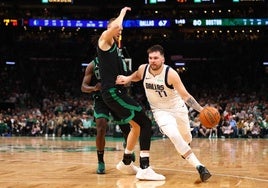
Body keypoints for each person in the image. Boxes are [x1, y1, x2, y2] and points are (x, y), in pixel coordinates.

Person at [116, 44, 211, 182]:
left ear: (162, 59)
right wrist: (128, 78)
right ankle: (200, 167)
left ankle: (185, 148)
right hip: (160, 111)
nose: (152, 60)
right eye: (150, 58)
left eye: (156, 58)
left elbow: (185, 96)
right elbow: (137, 75)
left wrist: (202, 110)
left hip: (178, 109)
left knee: (186, 138)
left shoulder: (171, 74)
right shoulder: (144, 69)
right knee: (174, 135)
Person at [97, 7, 165, 181]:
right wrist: (122, 13)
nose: (120, 29)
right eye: (116, 27)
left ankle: (126, 162)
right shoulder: (104, 40)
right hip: (112, 93)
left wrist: (126, 78)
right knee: (145, 122)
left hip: (117, 92)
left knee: (136, 126)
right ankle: (144, 167)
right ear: (109, 28)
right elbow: (115, 26)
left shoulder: (115, 46)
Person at [81, 56, 135, 174]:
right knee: (101, 128)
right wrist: (94, 88)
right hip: (101, 99)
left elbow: (129, 81)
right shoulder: (92, 65)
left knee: (126, 129)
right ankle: (101, 161)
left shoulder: (119, 61)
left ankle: (128, 148)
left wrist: (124, 81)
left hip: (117, 96)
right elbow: (83, 87)